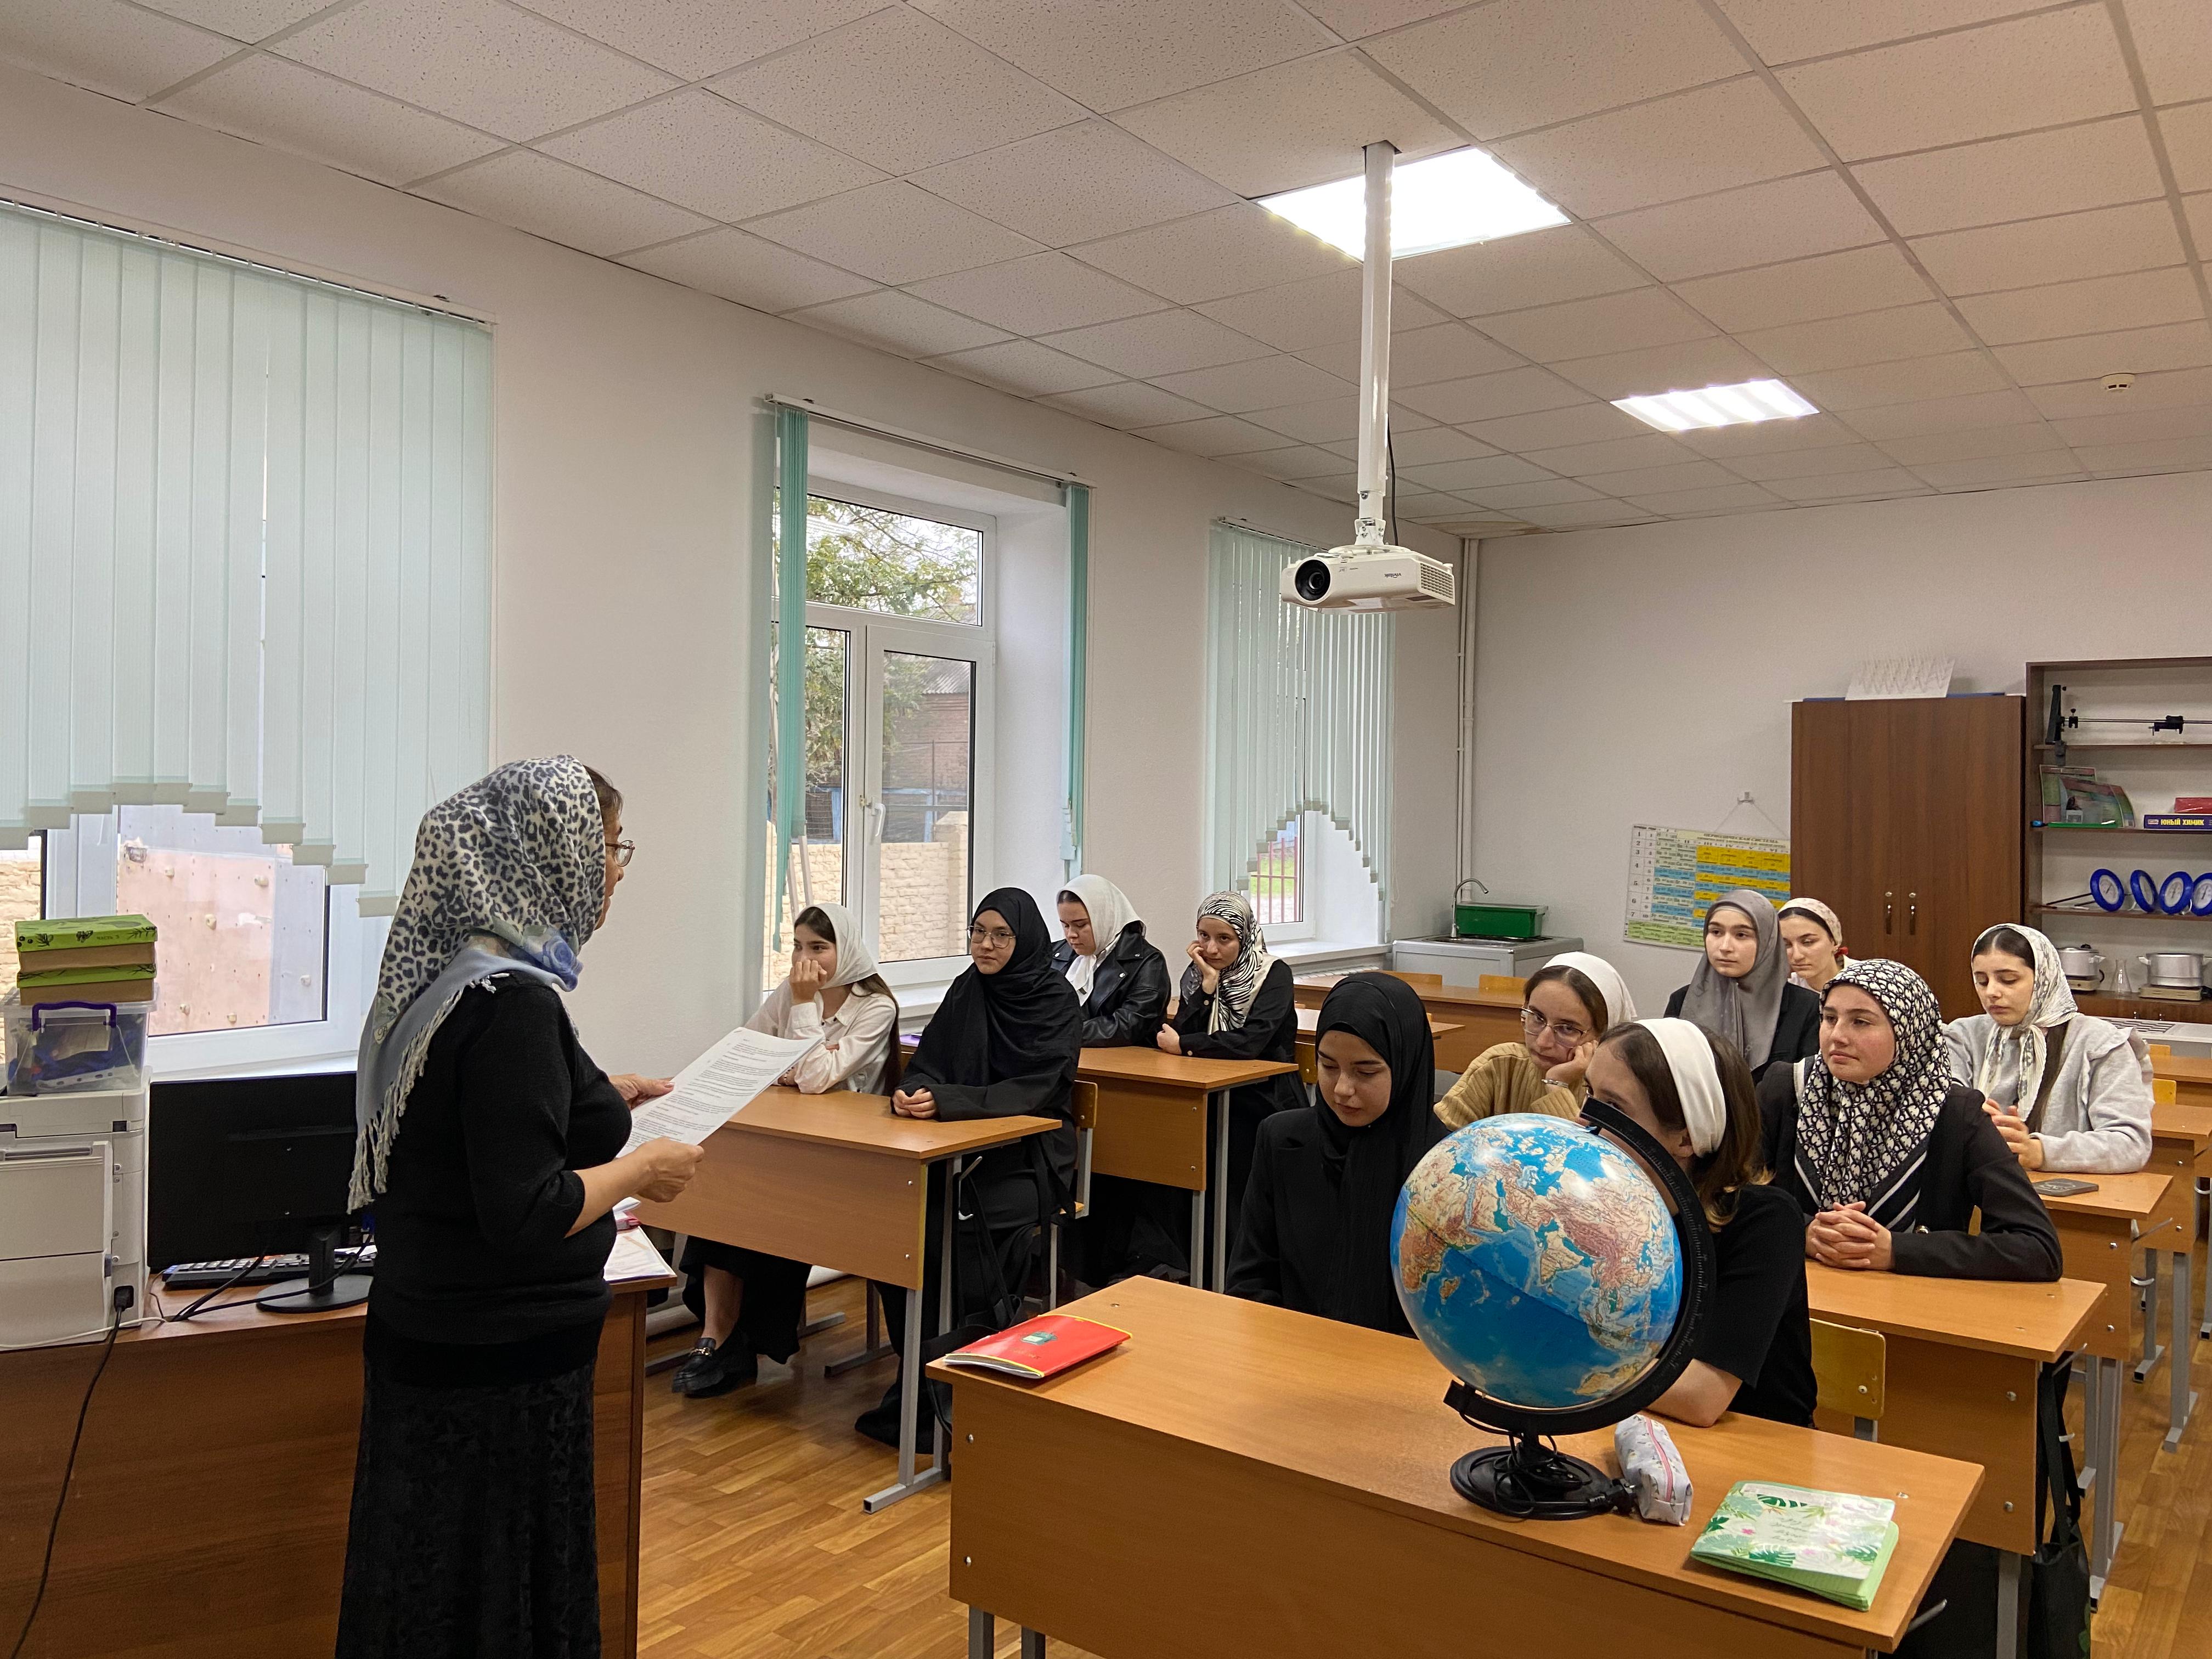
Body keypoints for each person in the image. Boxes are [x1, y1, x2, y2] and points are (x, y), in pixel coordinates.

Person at [336, 757, 703, 1659]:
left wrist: (599, 1092)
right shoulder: (517, 1005)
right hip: (498, 1378)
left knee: (428, 1600)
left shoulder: (451, 980)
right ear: (552, 855)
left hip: (435, 1339)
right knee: (500, 1605)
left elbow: (482, 1127)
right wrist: (640, 1167)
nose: (616, 870)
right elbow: (528, 1210)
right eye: (608, 846)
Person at [856, 888, 1081, 1450]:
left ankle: (960, 1382)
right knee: (894, 1229)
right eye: (978, 932)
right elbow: (927, 1061)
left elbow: (1037, 1089)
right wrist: (912, 1092)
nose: (986, 945)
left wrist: (951, 1101)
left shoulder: (1055, 999)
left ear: (1025, 940)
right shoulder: (967, 989)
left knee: (948, 1231)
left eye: (1001, 935)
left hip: (1029, 1159)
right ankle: (921, 1374)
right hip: (959, 1152)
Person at [671, 900, 900, 1398]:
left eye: (819, 948)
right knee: (726, 1196)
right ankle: (717, 1334)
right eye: (798, 947)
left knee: (766, 1202)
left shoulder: (875, 1007)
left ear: (846, 949)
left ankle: (740, 1338)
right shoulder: (789, 992)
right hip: (792, 1139)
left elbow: (813, 1078)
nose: (805, 959)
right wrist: (790, 1060)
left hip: (850, 1159)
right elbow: (747, 1054)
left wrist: (802, 1011)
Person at [1758, 959, 2061, 1281]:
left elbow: (2038, 1248)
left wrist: (1896, 1250)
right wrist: (1804, 1232)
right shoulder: (1788, 1088)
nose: (1838, 1036)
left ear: (1909, 1032)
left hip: (1910, 1298)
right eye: (1830, 1018)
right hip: (1794, 1289)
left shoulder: (1955, 1112)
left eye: (1861, 1022)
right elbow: (1728, 1198)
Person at [1582, 1019, 1814, 1427]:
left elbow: (1700, 1397)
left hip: (1755, 1452)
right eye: (1589, 1096)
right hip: (1627, 1424)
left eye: (1614, 1109)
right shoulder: (1600, 1205)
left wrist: (1559, 1361)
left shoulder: (1766, 1222)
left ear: (1687, 1138)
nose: (1586, 1125)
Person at [1227, 973, 1447, 1335]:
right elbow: (1250, 1281)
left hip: (1400, 1362)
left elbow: (1451, 1319)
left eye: (1366, 1072)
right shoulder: (1280, 1140)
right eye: (1328, 1066)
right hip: (1290, 1352)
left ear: (1407, 1067)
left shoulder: (1448, 1169)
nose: (1342, 1089)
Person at [1943, 923, 2153, 1174]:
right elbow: (1935, 1111)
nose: (1992, 992)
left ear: (2045, 978)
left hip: (2065, 1190)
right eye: (1982, 981)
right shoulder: (1963, 1036)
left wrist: (2040, 1152)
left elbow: (2130, 1144)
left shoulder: (2099, 1043)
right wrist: (1960, 1113)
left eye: (2008, 980)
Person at [1158, 891, 1304, 1242]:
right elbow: (1180, 1030)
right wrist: (1208, 987)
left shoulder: (1273, 974)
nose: (1211, 949)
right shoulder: (1198, 975)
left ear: (1245, 937)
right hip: (1212, 1093)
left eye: (1224, 939)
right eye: (1203, 936)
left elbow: (1251, 1043)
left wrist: (1188, 1046)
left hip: (1264, 1098)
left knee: (1235, 1177)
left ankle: (1234, 1255)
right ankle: (1195, 1254)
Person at [1436, 950, 1637, 1128]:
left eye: (1567, 1028)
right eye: (1537, 1018)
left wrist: (1557, 1085)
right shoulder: (1499, 1064)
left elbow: (1582, 1155)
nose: (1542, 1042)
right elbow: (1439, 1142)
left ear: (1602, 1035)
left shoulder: (1613, 1094)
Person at [1666, 890, 1819, 1081]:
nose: (1725, 947)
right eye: (1716, 932)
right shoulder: (1682, 1001)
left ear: (1767, 941)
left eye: (1741, 935)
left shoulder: (1807, 1008)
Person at [1052, 873, 1170, 1046]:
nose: (1071, 934)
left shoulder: (1148, 962)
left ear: (1105, 918)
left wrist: (1059, 1033)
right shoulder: (1055, 953)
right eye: (1065, 925)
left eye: (1081, 925)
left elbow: (1129, 1025)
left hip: (1125, 1058)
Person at [1778, 897, 1848, 993]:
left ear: (1834, 941)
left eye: (1808, 942)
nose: (1797, 956)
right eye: (1786, 945)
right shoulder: (1784, 992)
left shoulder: (1866, 978)